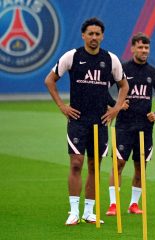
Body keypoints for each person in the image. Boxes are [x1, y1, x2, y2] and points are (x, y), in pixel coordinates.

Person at [44, 17, 129, 225]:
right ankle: (73, 211)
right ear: (83, 35)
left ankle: (89, 212)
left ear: (102, 36)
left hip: (100, 122)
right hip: (78, 121)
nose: (93, 37)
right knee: (76, 163)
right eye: (90, 34)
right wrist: (62, 106)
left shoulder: (111, 59)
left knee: (94, 166)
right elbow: (50, 80)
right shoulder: (72, 56)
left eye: (97, 34)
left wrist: (116, 109)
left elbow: (124, 86)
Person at [105, 32, 155, 216]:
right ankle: (113, 204)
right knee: (119, 163)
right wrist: (116, 105)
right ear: (132, 48)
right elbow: (104, 87)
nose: (143, 51)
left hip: (145, 128)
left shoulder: (154, 73)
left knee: (141, 167)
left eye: (146, 47)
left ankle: (133, 204)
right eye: (140, 47)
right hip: (123, 125)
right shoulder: (122, 69)